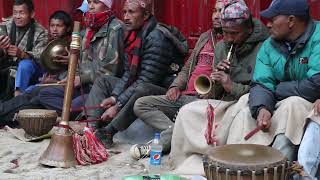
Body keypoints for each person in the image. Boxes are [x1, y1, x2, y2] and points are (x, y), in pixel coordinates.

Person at [167, 0, 269, 175]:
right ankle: (185, 163)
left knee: (242, 109)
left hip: (248, 102)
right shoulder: (223, 47)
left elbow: (263, 89)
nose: (228, 38)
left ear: (249, 29)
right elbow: (214, 95)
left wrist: (231, 85)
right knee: (187, 111)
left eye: (234, 33)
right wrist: (217, 81)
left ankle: (232, 165)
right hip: (226, 102)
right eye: (225, 32)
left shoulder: (264, 47)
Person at [228, 0, 320, 179]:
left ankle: (274, 172)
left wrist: (279, 89)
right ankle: (238, 169)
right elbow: (262, 83)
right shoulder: (269, 45)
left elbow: (316, 83)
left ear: (291, 21)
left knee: (291, 106)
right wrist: (262, 108)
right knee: (246, 109)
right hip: (280, 101)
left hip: (307, 105)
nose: (267, 24)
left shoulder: (318, 37)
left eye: (273, 18)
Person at [85, 0, 189, 148]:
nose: (126, 17)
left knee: (143, 88)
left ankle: (109, 132)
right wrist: (114, 97)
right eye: (124, 12)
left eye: (131, 12)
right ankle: (92, 129)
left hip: (162, 90)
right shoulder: (132, 35)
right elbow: (129, 73)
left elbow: (146, 80)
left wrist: (118, 105)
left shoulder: (157, 38)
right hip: (142, 83)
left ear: (145, 15)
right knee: (104, 81)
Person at [130, 0, 225, 159]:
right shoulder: (205, 37)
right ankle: (177, 131)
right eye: (214, 11)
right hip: (185, 95)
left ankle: (157, 145)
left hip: (204, 99)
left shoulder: (230, 43)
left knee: (185, 113)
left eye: (221, 12)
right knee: (141, 104)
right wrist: (175, 86)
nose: (216, 16)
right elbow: (188, 67)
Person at [38, 0, 126, 119]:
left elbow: (112, 70)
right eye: (89, 2)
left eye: (96, 2)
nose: (91, 6)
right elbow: (82, 63)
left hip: (98, 89)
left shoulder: (115, 29)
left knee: (72, 105)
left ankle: (71, 114)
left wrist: (82, 78)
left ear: (107, 5)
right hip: (83, 86)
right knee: (44, 93)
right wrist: (70, 78)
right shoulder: (89, 30)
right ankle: (71, 113)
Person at [0, 10, 72, 126]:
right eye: (52, 25)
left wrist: (55, 81)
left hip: (60, 86)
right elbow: (40, 63)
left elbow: (73, 76)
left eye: (59, 26)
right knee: (28, 91)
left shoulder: (72, 46)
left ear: (68, 28)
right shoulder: (47, 41)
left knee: (33, 94)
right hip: (43, 81)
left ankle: (10, 115)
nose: (54, 29)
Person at [0, 0, 48, 100]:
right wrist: (2, 49)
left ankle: (17, 100)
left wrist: (22, 54)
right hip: (6, 65)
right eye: (15, 12)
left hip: (30, 70)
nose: (17, 16)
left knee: (25, 65)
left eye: (21, 13)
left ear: (31, 14)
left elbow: (42, 58)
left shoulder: (41, 32)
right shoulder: (5, 26)